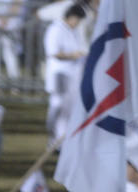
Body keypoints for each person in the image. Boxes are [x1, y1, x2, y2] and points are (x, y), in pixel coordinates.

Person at [42, 4, 86, 137]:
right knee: (58, 105)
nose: (77, 24)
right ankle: (52, 136)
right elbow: (53, 52)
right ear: (71, 17)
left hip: (72, 75)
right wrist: (73, 55)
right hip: (59, 74)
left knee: (68, 107)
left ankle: (62, 138)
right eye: (77, 20)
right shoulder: (55, 29)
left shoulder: (72, 31)